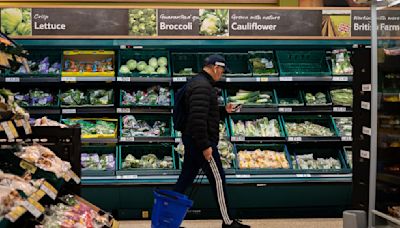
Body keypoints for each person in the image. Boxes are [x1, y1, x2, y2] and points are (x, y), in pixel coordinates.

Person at [173, 54, 250, 228]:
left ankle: (168, 221)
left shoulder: (199, 83)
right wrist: (205, 146)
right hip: (200, 143)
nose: (221, 74)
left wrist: (223, 110)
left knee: (185, 180)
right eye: (222, 71)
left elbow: (203, 113)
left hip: (192, 141)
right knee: (218, 180)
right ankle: (228, 222)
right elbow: (197, 120)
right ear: (216, 67)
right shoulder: (202, 87)